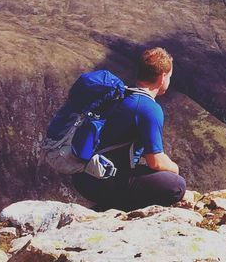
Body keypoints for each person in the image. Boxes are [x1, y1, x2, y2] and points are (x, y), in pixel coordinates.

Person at [71, 46, 188, 211]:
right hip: (103, 179)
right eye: (169, 76)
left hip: (83, 176)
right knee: (176, 185)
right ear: (162, 77)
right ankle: (119, 205)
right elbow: (155, 161)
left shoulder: (121, 95)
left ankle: (108, 203)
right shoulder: (148, 108)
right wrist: (176, 169)